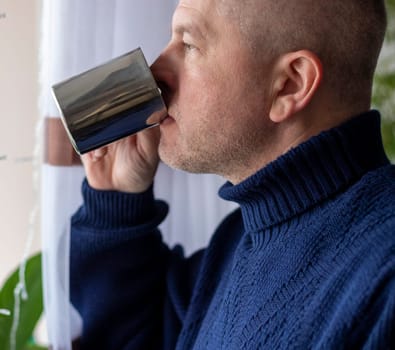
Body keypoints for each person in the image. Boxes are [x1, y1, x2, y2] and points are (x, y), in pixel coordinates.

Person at [69, 0, 395, 348]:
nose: (155, 71)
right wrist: (117, 201)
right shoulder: (237, 241)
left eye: (189, 44)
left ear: (290, 84)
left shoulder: (383, 275)